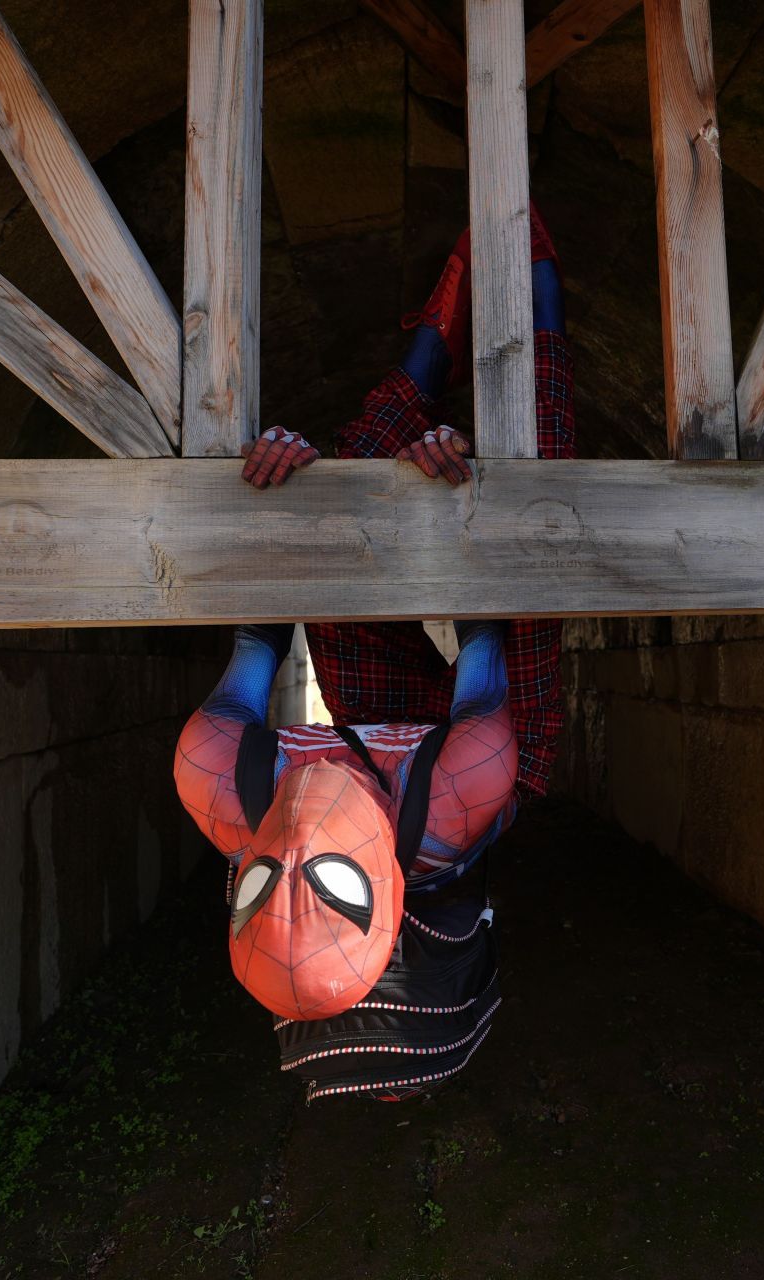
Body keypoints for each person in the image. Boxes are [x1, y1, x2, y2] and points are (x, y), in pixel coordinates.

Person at [172, 210, 572, 1101]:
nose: (300, 845)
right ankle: (535, 285)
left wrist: (295, 489)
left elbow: (266, 621)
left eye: (262, 884)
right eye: (333, 886)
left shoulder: (221, 777)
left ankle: (434, 335)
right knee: (531, 486)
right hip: (465, 744)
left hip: (372, 739)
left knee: (359, 475)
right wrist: (441, 488)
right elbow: (482, 621)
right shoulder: (461, 792)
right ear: (386, 893)